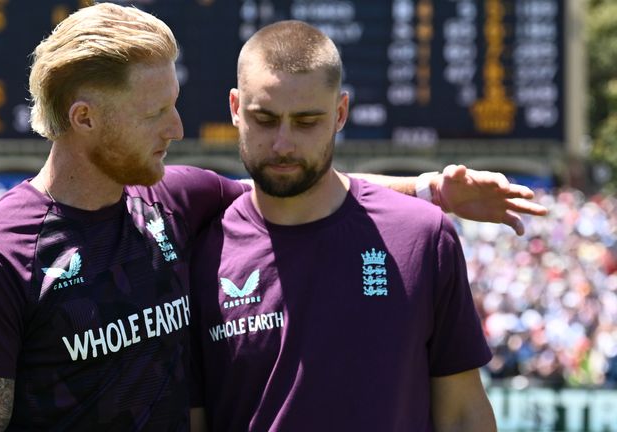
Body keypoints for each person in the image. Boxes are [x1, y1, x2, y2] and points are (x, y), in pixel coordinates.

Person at [0, 3, 543, 431]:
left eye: (175, 105)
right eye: (156, 113)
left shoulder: (171, 202)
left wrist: (430, 189)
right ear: (85, 118)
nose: (177, 128)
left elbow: (292, 179)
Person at [188, 21, 500, 431]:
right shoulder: (198, 250)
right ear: (234, 108)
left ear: (340, 113)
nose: (283, 143)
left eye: (306, 122)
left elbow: (462, 415)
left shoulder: (422, 235)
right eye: (264, 119)